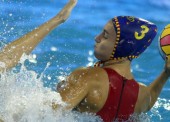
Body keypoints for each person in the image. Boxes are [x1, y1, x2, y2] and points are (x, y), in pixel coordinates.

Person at [0, 0, 170, 121]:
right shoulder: (141, 96)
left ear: (122, 46)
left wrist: (59, 18)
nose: (97, 38)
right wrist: (165, 73)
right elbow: (151, 98)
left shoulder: (87, 78)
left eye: (105, 36)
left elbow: (43, 115)